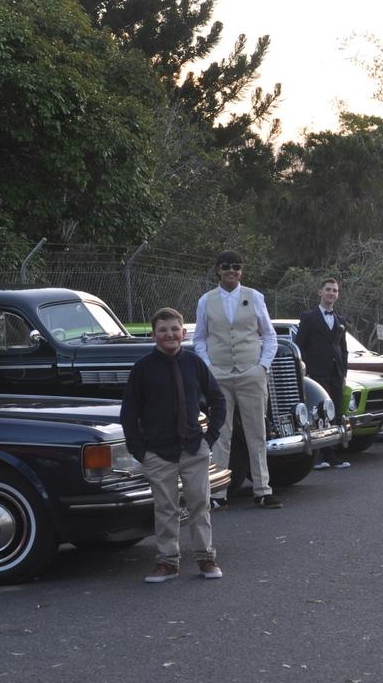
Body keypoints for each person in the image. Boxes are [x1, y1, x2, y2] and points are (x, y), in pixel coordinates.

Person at [120, 307, 227, 583]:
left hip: (193, 448)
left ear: (183, 332)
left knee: (199, 505)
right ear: (154, 334)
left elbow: (218, 400)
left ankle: (206, 558)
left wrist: (209, 437)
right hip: (158, 452)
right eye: (163, 330)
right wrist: (139, 451)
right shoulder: (143, 368)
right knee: (165, 508)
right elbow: (129, 412)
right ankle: (167, 561)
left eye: (174, 329)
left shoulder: (194, 364)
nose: (170, 334)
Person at [193, 250, 283, 509]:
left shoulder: (254, 297)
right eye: (226, 266)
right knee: (221, 433)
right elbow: (199, 337)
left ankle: (263, 490)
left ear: (241, 270)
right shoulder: (206, 301)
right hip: (219, 375)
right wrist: (208, 366)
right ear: (217, 270)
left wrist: (262, 366)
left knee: (257, 432)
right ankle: (218, 494)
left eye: (236, 266)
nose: (231, 270)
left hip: (250, 373)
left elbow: (269, 335)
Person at [295, 277, 351, 470]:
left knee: (334, 412)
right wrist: (305, 372)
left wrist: (343, 373)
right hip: (316, 372)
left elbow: (343, 348)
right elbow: (300, 345)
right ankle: (318, 457)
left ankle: (332, 455)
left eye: (335, 291)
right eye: (328, 289)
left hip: (336, 372)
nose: (331, 293)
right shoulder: (308, 317)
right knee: (318, 414)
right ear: (320, 292)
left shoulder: (340, 319)